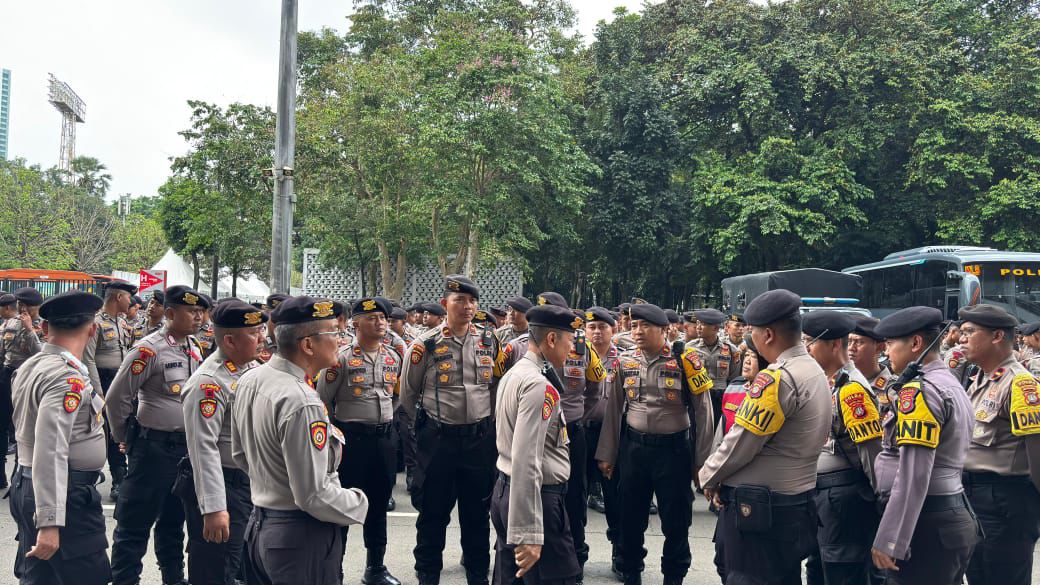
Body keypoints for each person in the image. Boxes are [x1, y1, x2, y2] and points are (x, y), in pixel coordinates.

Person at [231, 295, 369, 585]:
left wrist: (273, 485)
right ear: (308, 345)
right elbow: (313, 496)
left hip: (262, 527)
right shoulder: (301, 400)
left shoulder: (251, 378)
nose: (341, 340)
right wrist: (360, 502)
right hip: (300, 536)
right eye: (334, 332)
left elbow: (241, 455)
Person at [699, 289, 831, 585]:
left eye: (753, 332)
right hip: (794, 502)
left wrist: (708, 475)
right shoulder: (812, 369)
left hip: (762, 511)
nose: (751, 338)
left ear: (768, 335)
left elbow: (742, 442)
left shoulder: (778, 378)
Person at [596, 303, 714, 585]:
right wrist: (607, 454)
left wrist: (702, 462)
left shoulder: (686, 361)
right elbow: (614, 410)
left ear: (664, 329)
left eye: (645, 326)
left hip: (674, 452)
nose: (637, 331)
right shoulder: (626, 361)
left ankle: (673, 575)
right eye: (635, 325)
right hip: (634, 450)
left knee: (676, 519)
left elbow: (704, 412)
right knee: (630, 515)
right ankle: (630, 571)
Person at [400, 276, 504, 585]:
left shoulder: (489, 341)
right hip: (439, 439)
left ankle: (477, 573)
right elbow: (408, 394)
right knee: (433, 511)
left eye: (472, 301)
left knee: (477, 513)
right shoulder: (426, 344)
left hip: (478, 440)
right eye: (460, 300)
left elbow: (495, 386)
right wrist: (426, 428)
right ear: (445, 303)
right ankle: (428, 572)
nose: (467, 306)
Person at [106, 285, 209, 585]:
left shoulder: (193, 346)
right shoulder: (148, 349)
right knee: (134, 524)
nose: (198, 317)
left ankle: (173, 579)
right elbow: (117, 398)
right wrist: (125, 437)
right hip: (153, 448)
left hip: (184, 450)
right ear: (171, 313)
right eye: (192, 311)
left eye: (200, 312)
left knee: (174, 522)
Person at [869, 306, 979, 584]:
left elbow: (914, 473)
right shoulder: (947, 381)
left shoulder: (920, 391)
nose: (886, 352)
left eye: (890, 344)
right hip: (946, 514)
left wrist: (891, 538)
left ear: (916, 343)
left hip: (927, 522)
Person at [9, 290, 111, 585]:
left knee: (41, 577)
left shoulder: (32, 365)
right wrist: (51, 520)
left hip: (31, 482)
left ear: (44, 327)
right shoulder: (67, 378)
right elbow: (50, 448)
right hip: (64, 493)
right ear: (92, 330)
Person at [491, 304, 582, 585]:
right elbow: (527, 458)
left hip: (509, 491)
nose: (572, 349)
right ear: (551, 339)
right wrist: (529, 532)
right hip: (536, 500)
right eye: (569, 341)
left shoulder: (516, 373)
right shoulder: (538, 385)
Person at [177, 299, 266, 585]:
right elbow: (203, 448)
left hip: (247, 484)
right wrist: (214, 508)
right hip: (224, 486)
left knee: (243, 563)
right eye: (254, 333)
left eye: (261, 330)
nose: (262, 338)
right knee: (216, 567)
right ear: (229, 340)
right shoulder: (209, 382)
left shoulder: (250, 369)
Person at [317, 297, 402, 585]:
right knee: (342, 506)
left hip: (383, 439)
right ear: (356, 324)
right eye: (372, 318)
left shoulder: (393, 356)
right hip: (351, 441)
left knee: (378, 504)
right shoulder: (340, 358)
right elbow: (322, 400)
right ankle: (334, 570)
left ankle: (375, 567)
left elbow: (396, 396)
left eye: (383, 318)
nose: (380, 323)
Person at [958, 304, 1040, 585]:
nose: (961, 339)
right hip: (973, 496)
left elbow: (1037, 452)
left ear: (996, 336)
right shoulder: (979, 378)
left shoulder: (1021, 384)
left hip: (1005, 500)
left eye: (970, 331)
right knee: (978, 575)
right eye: (961, 332)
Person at [801, 311, 883, 585]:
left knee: (841, 571)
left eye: (810, 342)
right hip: (823, 495)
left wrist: (883, 502)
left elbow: (871, 452)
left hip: (844, 498)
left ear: (835, 344)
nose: (806, 348)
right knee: (818, 568)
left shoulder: (852, 390)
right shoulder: (829, 382)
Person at [83, 279, 138, 501]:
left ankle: (126, 477)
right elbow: (88, 358)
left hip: (122, 380)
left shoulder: (122, 322)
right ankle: (117, 479)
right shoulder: (96, 322)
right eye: (128, 297)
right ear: (118, 297)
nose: (130, 302)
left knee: (125, 428)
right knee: (107, 431)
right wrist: (98, 391)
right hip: (104, 380)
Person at [0, 286, 44, 488]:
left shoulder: (45, 325)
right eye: (20, 305)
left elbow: (42, 355)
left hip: (30, 378)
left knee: (25, 429)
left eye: (27, 306)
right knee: (2, 426)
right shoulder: (9, 323)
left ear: (37, 307)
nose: (23, 310)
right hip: (8, 376)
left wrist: (29, 330)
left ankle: (20, 476)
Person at [686, 308, 740, 426]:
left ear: (715, 328)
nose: (698, 327)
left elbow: (734, 378)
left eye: (703, 324)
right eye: (698, 323)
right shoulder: (689, 348)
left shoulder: (731, 350)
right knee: (696, 429)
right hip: (698, 397)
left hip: (720, 398)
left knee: (718, 429)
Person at [848, 316, 895, 408]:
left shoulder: (894, 389)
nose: (851, 348)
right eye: (849, 342)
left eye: (859, 342)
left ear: (880, 347)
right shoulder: (837, 383)